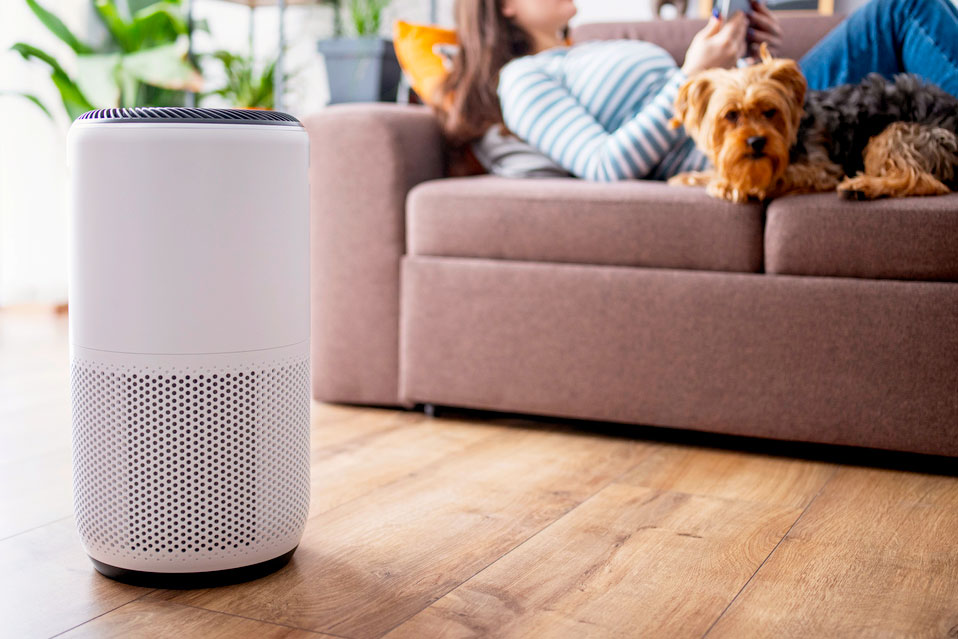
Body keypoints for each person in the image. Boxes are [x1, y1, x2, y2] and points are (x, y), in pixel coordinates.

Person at [436, 0, 958, 182]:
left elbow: (715, 103)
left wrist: (749, 61)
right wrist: (691, 74)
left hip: (760, 117)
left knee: (905, 9)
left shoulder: (585, 51)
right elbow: (603, 166)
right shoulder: (522, 79)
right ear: (503, 5)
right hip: (718, 151)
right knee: (902, 10)